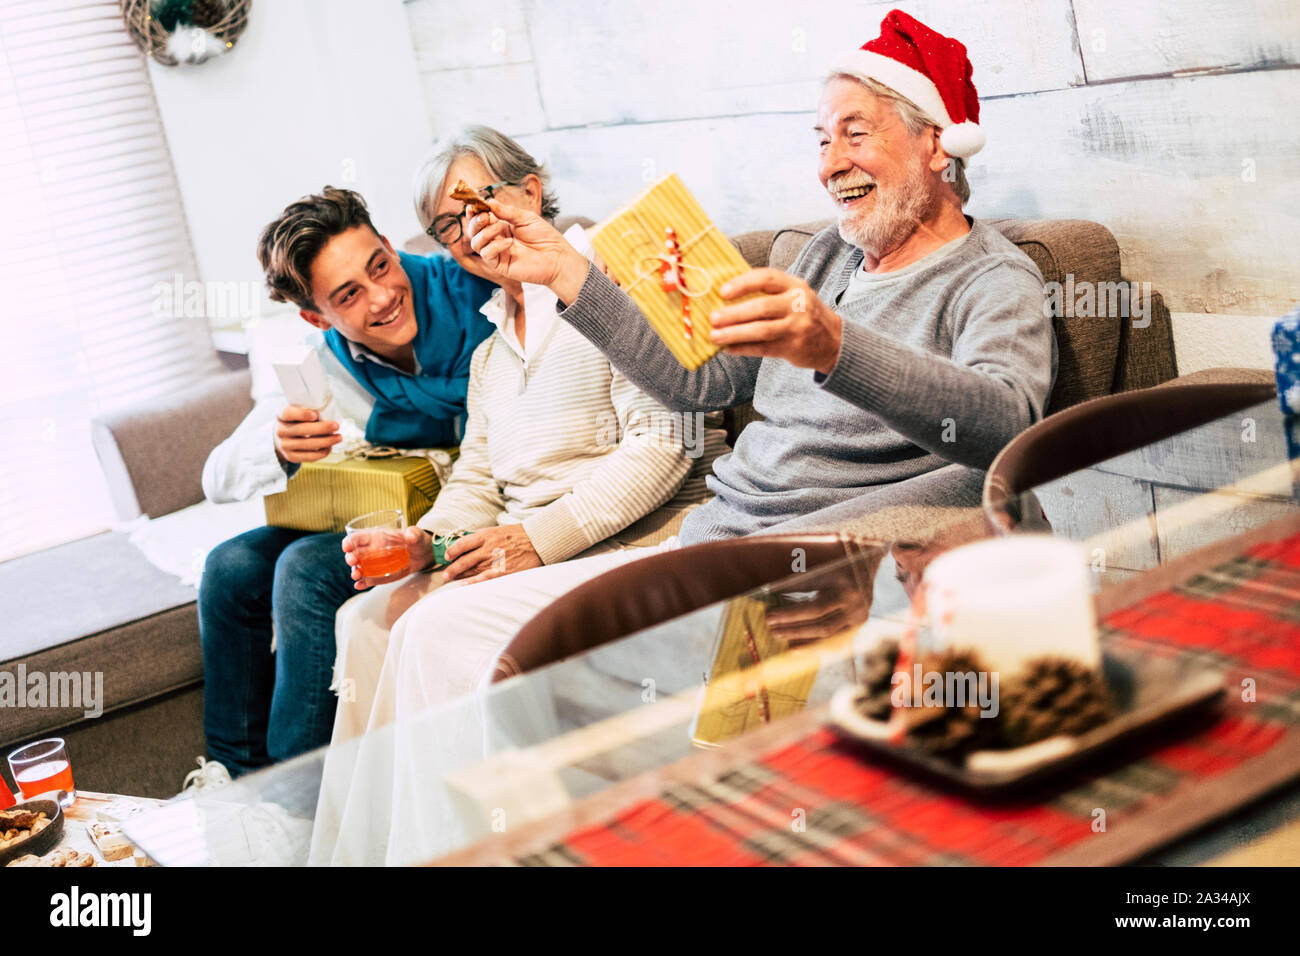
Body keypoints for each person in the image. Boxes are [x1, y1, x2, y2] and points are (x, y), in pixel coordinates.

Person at [319, 9, 1057, 863]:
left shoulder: (992, 275)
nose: (830, 164)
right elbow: (699, 384)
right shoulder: (822, 257)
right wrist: (565, 272)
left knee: (666, 723)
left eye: (856, 134)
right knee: (438, 633)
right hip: (708, 544)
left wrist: (834, 348)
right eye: (820, 140)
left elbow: (1007, 423)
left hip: (801, 571)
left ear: (937, 144)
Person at [327, 126, 726, 743]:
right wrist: (422, 541)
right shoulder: (489, 354)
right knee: (365, 621)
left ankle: (493, 827)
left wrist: (537, 540)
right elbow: (479, 478)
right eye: (447, 227)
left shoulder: (617, 281)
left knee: (431, 627)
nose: (469, 231)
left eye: (477, 203)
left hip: (635, 539)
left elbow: (668, 443)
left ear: (530, 193)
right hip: (523, 546)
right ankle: (389, 840)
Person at [197, 186, 497, 777]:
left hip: (458, 507)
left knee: (305, 567)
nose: (384, 296)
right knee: (229, 568)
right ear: (317, 316)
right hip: (388, 498)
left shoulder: (474, 293)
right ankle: (232, 780)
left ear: (388, 244)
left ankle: (297, 791)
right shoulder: (328, 362)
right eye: (349, 295)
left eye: (380, 265)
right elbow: (216, 478)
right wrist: (279, 446)